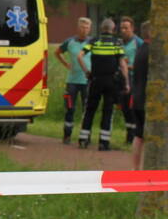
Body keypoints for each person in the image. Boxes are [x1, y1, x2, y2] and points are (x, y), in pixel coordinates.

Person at [76, 18, 129, 151]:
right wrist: (126, 82)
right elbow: (122, 64)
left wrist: (87, 71)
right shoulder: (117, 43)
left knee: (89, 109)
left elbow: (79, 56)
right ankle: (103, 143)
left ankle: (83, 139)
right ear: (113, 29)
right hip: (111, 82)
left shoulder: (94, 41)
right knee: (108, 111)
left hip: (95, 80)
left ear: (101, 29)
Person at [54, 16, 93, 144]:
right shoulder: (69, 42)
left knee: (87, 110)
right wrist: (66, 64)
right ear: (78, 27)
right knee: (70, 109)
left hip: (87, 82)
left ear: (90, 29)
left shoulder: (93, 42)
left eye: (87, 27)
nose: (84, 30)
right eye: (82, 27)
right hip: (72, 82)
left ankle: (85, 137)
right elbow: (57, 52)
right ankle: (67, 135)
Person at [118, 16, 145, 145]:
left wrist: (127, 66)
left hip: (134, 79)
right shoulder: (119, 42)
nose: (123, 30)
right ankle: (129, 132)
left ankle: (134, 135)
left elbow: (143, 62)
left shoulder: (138, 42)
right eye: (122, 28)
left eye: (126, 28)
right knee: (123, 107)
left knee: (132, 107)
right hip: (122, 79)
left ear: (132, 28)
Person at [130, 21, 151, 169]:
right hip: (147, 100)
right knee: (149, 136)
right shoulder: (152, 52)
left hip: (137, 97)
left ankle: (135, 169)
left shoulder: (141, 49)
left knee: (139, 135)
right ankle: (148, 169)